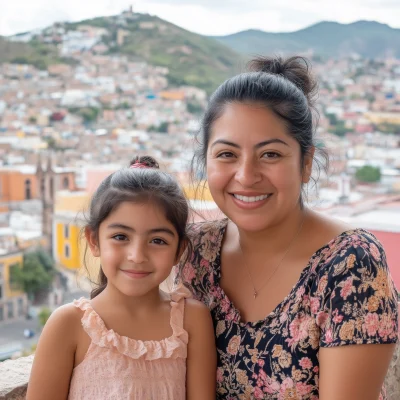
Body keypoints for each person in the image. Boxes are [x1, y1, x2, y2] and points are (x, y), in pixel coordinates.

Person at [176, 56, 399, 399]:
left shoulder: (348, 264)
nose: (246, 176)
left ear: (305, 163)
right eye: (226, 154)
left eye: (270, 155)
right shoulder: (197, 253)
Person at [27, 156, 216, 400]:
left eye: (157, 240)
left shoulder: (192, 320)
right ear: (94, 240)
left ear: (179, 250)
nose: (137, 256)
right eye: (120, 237)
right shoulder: (69, 325)